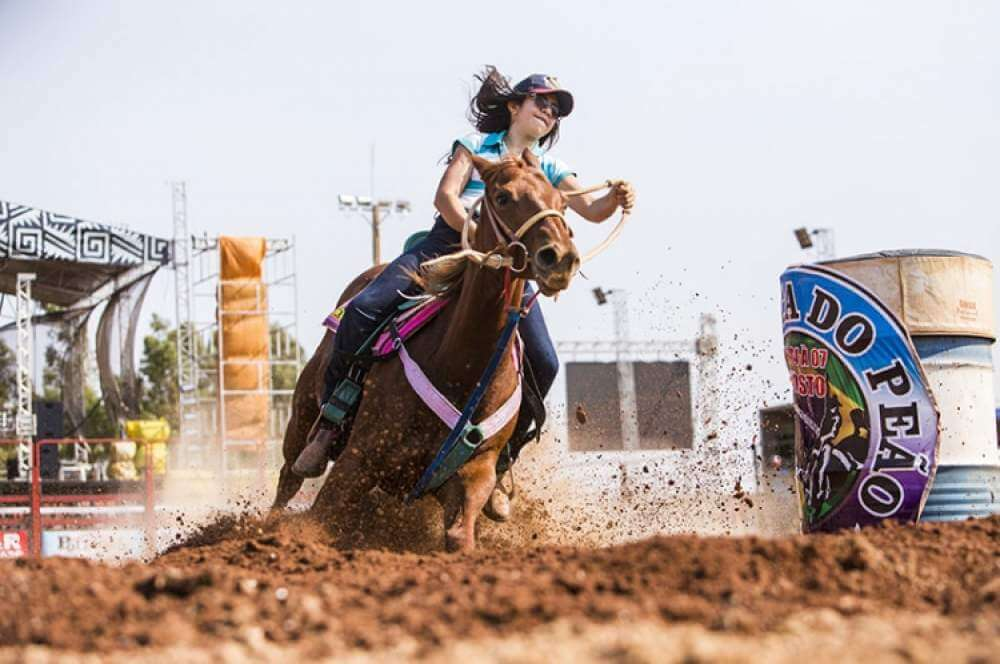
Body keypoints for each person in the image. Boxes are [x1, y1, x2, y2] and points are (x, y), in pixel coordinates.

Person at [293, 67, 636, 499]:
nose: (549, 113)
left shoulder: (549, 167)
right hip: (445, 246)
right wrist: (474, 238)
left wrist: (614, 199)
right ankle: (331, 421)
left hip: (509, 267)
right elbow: (446, 197)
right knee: (362, 311)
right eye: (541, 103)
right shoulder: (474, 147)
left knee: (545, 362)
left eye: (555, 110)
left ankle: (500, 459)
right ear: (515, 106)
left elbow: (590, 208)